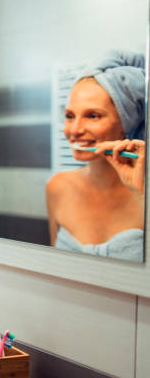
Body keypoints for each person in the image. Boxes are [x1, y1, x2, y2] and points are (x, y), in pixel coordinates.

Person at [46, 50, 145, 262]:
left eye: (93, 116)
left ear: (127, 123)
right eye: (70, 116)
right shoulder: (57, 188)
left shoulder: (144, 191)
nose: (74, 130)